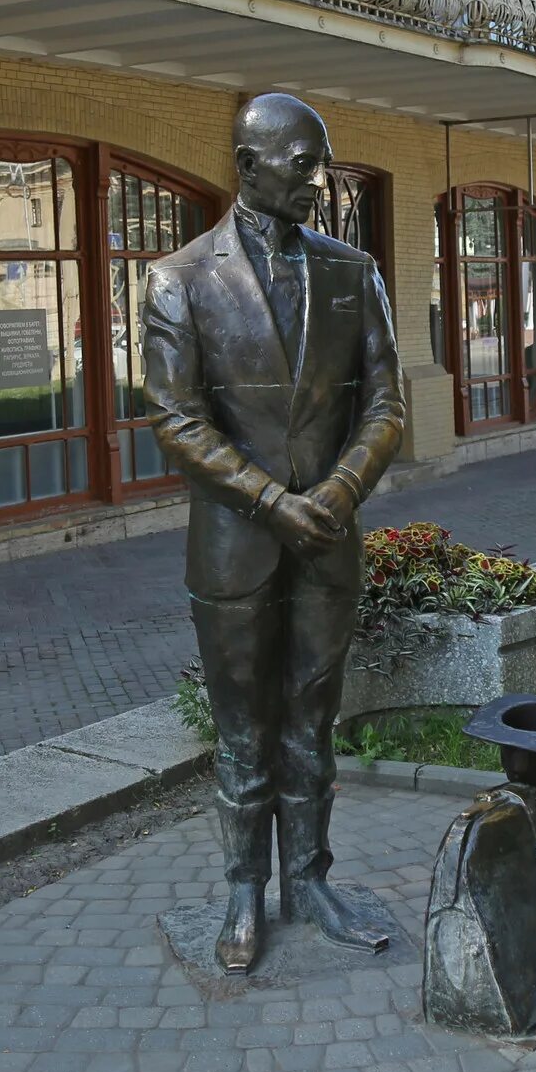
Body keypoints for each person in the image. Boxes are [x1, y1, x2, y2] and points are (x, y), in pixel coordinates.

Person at [143, 93, 405, 973]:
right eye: (303, 164)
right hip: (236, 542)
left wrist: (337, 489)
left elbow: (385, 403)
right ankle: (242, 890)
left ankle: (312, 878)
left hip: (329, 532)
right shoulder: (178, 278)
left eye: (323, 162)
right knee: (243, 726)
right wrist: (269, 499)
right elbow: (177, 422)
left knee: (313, 716)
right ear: (248, 167)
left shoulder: (352, 271)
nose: (319, 182)